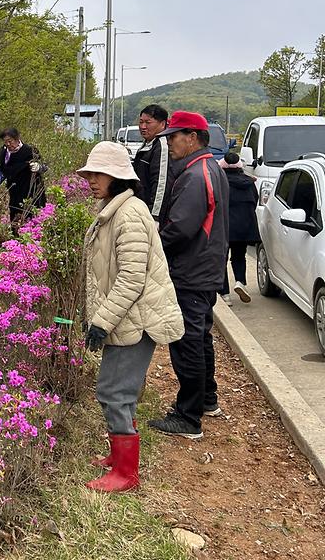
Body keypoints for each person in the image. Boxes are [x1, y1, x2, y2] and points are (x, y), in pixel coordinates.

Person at [78, 142, 184, 492]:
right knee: (117, 388)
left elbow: (131, 279)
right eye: (90, 173)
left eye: (99, 174)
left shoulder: (130, 214)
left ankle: (126, 474)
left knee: (114, 391)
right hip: (125, 316)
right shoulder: (112, 208)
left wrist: (101, 321)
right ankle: (117, 457)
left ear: (119, 177)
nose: (91, 180)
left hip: (136, 319)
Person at [149, 111, 229, 439]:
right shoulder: (209, 167)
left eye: (174, 136)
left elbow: (180, 228)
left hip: (192, 270)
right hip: (205, 267)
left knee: (187, 341)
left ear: (192, 138)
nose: (170, 142)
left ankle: (188, 416)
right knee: (201, 336)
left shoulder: (197, 174)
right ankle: (207, 399)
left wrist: (152, 248)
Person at [0, 127, 47, 235]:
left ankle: (33, 242)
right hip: (15, 191)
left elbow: (44, 167)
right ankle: (16, 244)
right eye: (5, 142)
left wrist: (38, 167)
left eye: (10, 141)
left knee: (32, 217)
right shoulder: (4, 153)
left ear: (17, 138)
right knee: (15, 217)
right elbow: (2, 171)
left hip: (31, 191)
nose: (8, 144)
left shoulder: (29, 150)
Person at [219, 151, 258, 306]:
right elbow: (254, 201)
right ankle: (240, 282)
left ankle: (225, 295)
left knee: (221, 260)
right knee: (239, 256)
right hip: (244, 226)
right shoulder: (249, 182)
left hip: (224, 226)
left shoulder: (220, 182)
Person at [132, 104, 174, 225]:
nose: (143, 127)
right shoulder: (148, 143)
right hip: (141, 208)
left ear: (162, 124)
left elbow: (161, 183)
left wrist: (154, 217)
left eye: (148, 122)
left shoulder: (162, 146)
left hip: (152, 215)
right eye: (141, 122)